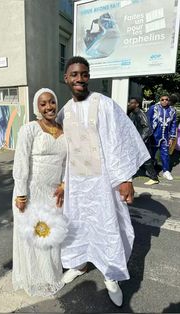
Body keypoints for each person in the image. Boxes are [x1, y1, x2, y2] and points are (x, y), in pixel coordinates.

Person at [56, 56, 150, 307]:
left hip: (102, 184)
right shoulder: (64, 111)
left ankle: (111, 276)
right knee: (76, 224)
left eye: (84, 74)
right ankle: (78, 263)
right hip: (76, 184)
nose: (79, 79)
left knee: (107, 226)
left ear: (89, 76)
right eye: (74, 74)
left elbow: (119, 142)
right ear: (66, 78)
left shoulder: (104, 104)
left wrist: (125, 179)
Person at [12, 88, 67, 297]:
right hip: (31, 192)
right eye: (43, 104)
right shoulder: (30, 129)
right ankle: (34, 277)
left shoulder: (64, 130)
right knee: (33, 235)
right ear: (37, 107)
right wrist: (21, 193)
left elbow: (66, 163)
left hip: (54, 194)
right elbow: (21, 161)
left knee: (50, 234)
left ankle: (50, 275)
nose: (48, 107)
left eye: (51, 102)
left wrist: (63, 183)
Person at [128, 97, 159, 185]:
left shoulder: (140, 114)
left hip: (142, 141)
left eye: (131, 103)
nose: (129, 104)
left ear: (137, 104)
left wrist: (140, 139)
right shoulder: (132, 114)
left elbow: (147, 128)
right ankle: (129, 174)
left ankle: (154, 178)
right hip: (136, 140)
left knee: (146, 160)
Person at [147, 94, 177, 181]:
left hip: (166, 136)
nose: (164, 101)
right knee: (152, 153)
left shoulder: (172, 110)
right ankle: (150, 171)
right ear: (160, 100)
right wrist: (148, 133)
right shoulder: (154, 108)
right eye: (162, 99)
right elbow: (148, 120)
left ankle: (166, 171)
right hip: (154, 135)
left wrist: (172, 137)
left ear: (168, 100)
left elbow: (173, 124)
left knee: (165, 153)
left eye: (166, 99)